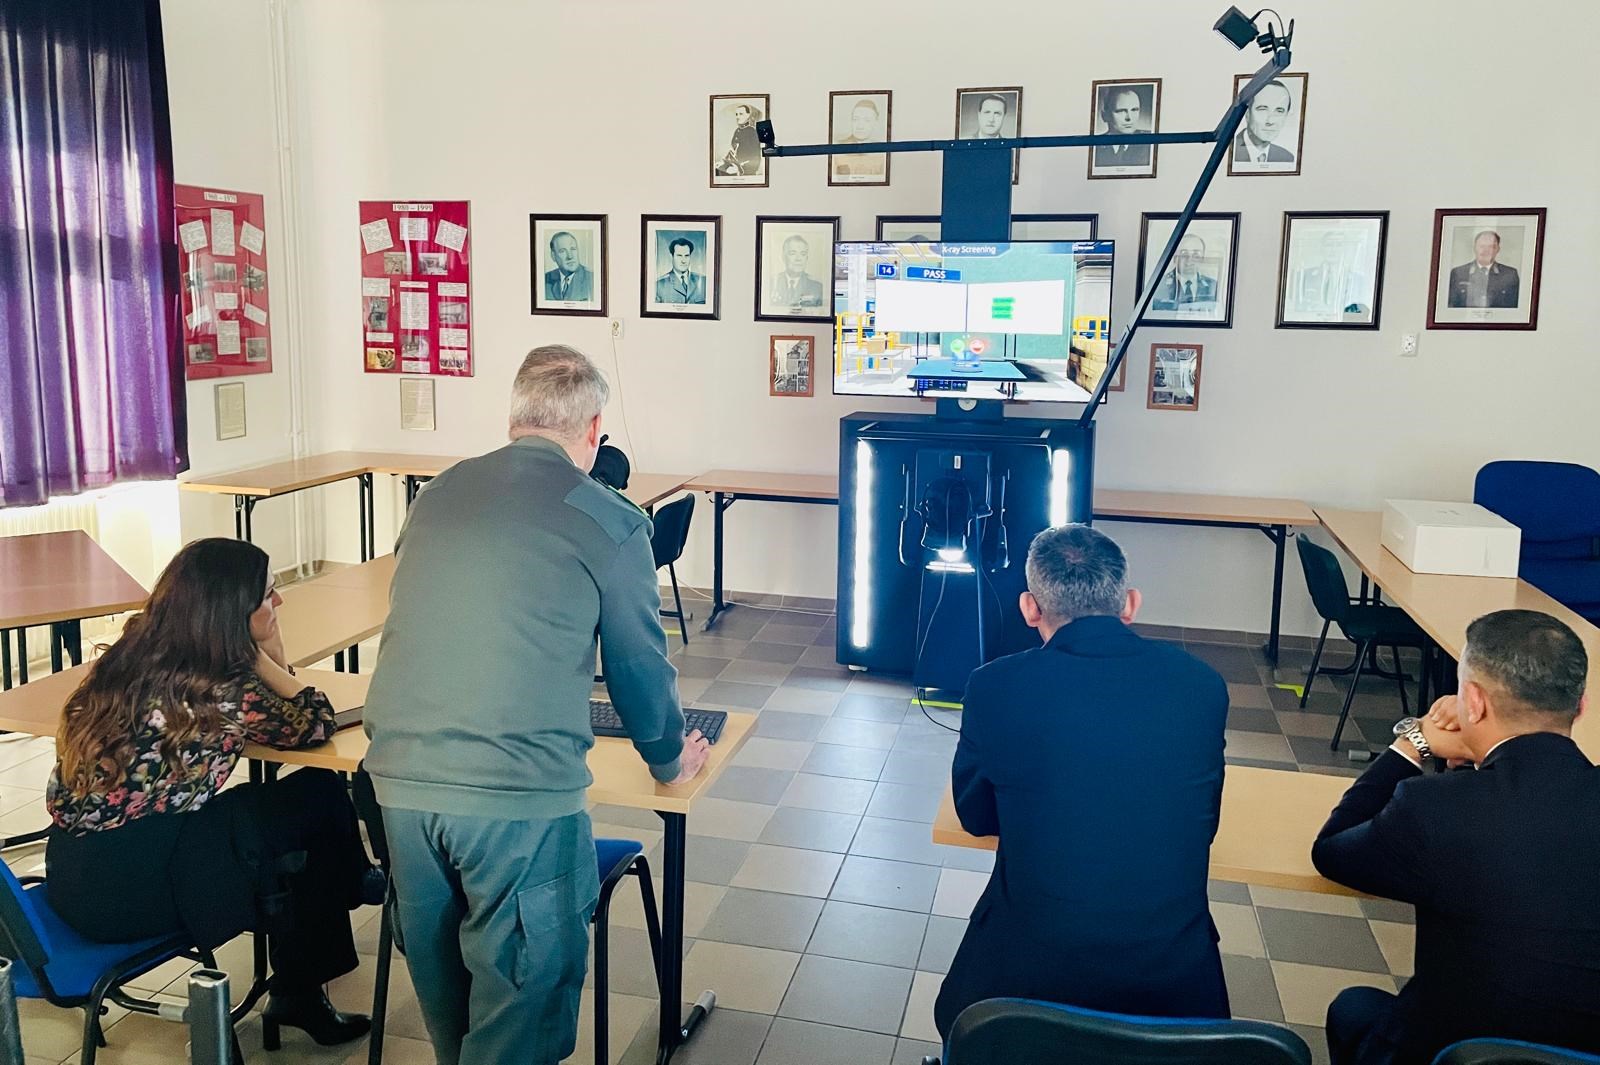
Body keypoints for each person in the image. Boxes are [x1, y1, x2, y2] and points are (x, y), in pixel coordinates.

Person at [362, 344, 712, 1065]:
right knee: (520, 1022)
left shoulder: (438, 494)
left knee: (453, 1016)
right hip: (517, 798)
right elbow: (637, 669)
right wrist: (669, 759)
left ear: (514, 417)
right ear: (594, 431)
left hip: (400, 788)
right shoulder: (611, 519)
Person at [45, 538, 376, 1047]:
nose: (280, 601)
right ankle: (313, 963)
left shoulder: (129, 656)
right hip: (138, 895)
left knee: (290, 815)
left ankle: (330, 923)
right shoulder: (225, 687)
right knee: (316, 803)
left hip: (73, 878)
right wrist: (270, 660)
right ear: (232, 614)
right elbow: (314, 721)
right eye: (268, 595)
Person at [934, 525, 1230, 1038]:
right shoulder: (1201, 684)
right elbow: (1204, 823)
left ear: (1030, 608)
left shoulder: (995, 686)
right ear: (1130, 603)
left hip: (1019, 996)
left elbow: (976, 817)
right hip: (1178, 994)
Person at [1313, 609, 1600, 1065]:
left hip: (1448, 1051)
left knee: (1354, 1008)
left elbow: (1331, 850)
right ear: (1580, 705)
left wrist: (1414, 743)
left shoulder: (1433, 807)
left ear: (1475, 703)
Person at [1447, 230, 1520, 308]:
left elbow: (1515, 308)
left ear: (1498, 249)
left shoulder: (1510, 274)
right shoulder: (1458, 273)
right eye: (1482, 246)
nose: (1486, 251)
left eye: (1491, 246)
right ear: (1474, 248)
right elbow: (1450, 307)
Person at [1232, 79, 1295, 164]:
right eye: (1262, 109)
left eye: (1279, 111)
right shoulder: (1228, 151)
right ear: (1247, 114)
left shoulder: (1287, 158)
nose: (1270, 121)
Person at [1152, 234, 1218, 309]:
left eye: (1196, 255)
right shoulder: (1159, 285)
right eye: (1184, 254)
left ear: (1202, 259)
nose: (1189, 260)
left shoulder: (1213, 286)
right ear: (1175, 257)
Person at [1093, 86, 1151, 167]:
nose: (1129, 118)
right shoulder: (1094, 146)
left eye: (1134, 110)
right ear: (1104, 116)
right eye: (1121, 111)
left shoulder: (1150, 142)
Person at [766, 234, 826, 312]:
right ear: (783, 257)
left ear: (806, 258)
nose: (798, 259)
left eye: (803, 254)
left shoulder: (817, 288)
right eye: (792, 253)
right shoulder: (771, 284)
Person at [833, 97, 886, 178]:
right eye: (855, 119)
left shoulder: (881, 150)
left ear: (875, 122)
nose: (860, 126)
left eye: (867, 120)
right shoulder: (838, 147)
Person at [543, 231, 594, 302]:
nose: (570, 256)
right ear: (553, 256)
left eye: (573, 249)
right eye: (562, 251)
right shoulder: (544, 280)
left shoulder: (592, 279)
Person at [654, 236, 706, 305]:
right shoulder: (659, 285)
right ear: (671, 256)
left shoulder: (703, 281)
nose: (683, 261)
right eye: (679, 256)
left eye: (686, 256)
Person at [714, 102, 761, 176]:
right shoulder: (737, 131)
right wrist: (723, 163)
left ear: (748, 115)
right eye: (736, 114)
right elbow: (733, 153)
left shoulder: (752, 132)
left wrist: (739, 168)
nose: (738, 117)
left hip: (747, 172)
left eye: (741, 114)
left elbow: (756, 158)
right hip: (735, 168)